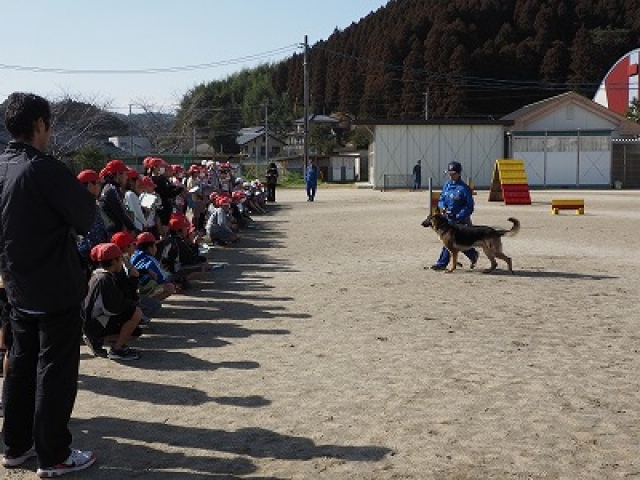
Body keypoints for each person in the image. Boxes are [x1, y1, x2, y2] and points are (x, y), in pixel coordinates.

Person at [0, 92, 97, 476]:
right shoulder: (45, 169)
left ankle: (15, 445)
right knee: (54, 371)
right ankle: (53, 454)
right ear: (40, 124)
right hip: (53, 284)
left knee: (21, 366)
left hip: (16, 284)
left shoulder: (3, 165)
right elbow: (85, 218)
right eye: (49, 124)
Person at [83, 243, 142, 361]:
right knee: (136, 313)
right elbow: (114, 307)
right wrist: (133, 305)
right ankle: (116, 349)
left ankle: (101, 340)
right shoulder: (105, 279)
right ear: (114, 261)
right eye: (120, 259)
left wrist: (129, 279)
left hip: (93, 322)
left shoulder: (100, 275)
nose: (122, 261)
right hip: (95, 324)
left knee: (136, 330)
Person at [430, 161, 479, 271]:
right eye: (449, 173)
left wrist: (459, 215)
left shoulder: (464, 188)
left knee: (450, 241)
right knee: (454, 242)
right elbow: (442, 198)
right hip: (448, 219)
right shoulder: (447, 185)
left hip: (461, 220)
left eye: (453, 173)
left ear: (459, 173)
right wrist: (442, 206)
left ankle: (441, 264)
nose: (451, 175)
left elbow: (469, 206)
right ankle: (472, 254)